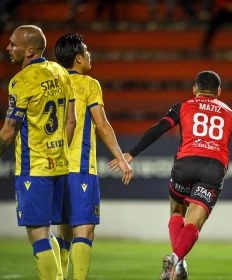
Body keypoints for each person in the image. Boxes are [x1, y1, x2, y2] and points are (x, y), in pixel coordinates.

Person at [108, 70, 232, 280]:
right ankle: (176, 258)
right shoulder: (231, 114)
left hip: (185, 164)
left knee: (177, 210)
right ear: (219, 92)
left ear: (194, 89)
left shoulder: (184, 106)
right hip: (214, 168)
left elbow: (159, 128)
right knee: (194, 222)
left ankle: (178, 263)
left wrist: (132, 153)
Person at [54, 33, 133, 280]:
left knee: (63, 230)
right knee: (84, 231)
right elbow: (102, 125)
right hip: (80, 167)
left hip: (52, 166)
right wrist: (121, 158)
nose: (90, 55)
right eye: (87, 52)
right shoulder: (89, 84)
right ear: (78, 58)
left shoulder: (51, 83)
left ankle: (57, 276)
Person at [2, 25, 76, 280]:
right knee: (47, 232)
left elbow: (9, 132)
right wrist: (58, 152)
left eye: (13, 44)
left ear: (29, 50)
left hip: (34, 168)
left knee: (37, 234)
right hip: (60, 165)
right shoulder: (60, 71)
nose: (8, 48)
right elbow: (71, 121)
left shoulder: (21, 82)